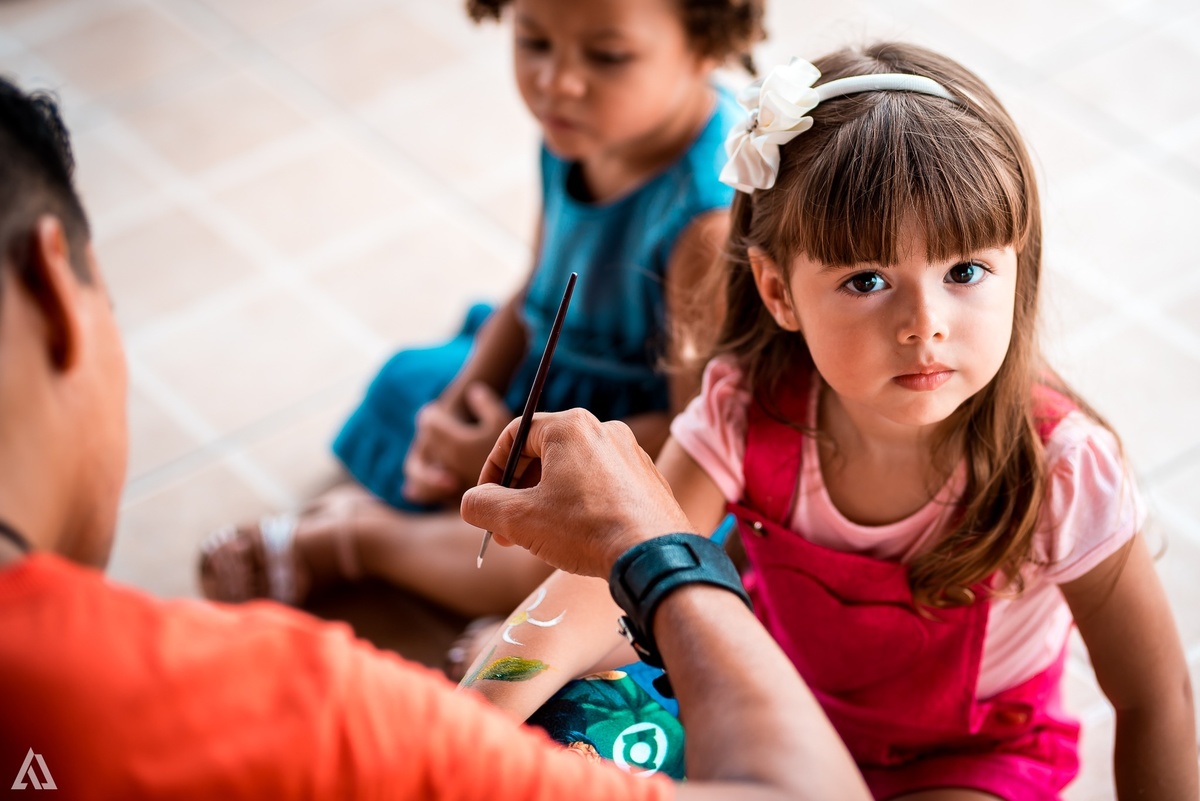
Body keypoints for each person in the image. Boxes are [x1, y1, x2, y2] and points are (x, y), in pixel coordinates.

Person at [0, 76, 873, 799]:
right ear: (52, 286)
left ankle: (369, 535)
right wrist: (655, 553)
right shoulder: (276, 711)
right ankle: (365, 537)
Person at [458, 42, 1199, 799]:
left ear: (1018, 263)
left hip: (966, 767)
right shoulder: (747, 406)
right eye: (868, 279)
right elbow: (623, 566)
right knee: (559, 723)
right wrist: (475, 715)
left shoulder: (1063, 467)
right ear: (779, 292)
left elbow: (1156, 696)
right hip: (780, 715)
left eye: (965, 271)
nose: (925, 324)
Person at [197, 0, 766, 634]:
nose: (556, 81)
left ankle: (359, 541)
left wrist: (532, 462)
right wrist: (461, 402)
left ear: (707, 43)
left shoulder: (704, 223)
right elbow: (535, 292)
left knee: (557, 566)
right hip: (553, 381)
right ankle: (446, 520)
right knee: (406, 384)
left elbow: (697, 430)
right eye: (534, 41)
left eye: (606, 57)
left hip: (631, 439)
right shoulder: (579, 131)